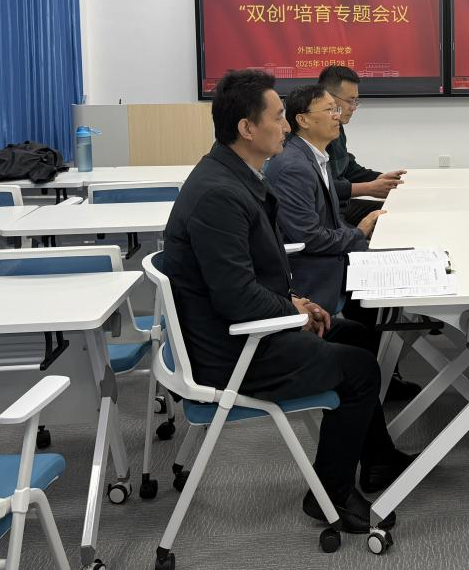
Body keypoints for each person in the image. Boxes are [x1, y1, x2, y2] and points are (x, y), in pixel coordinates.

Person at [159, 69, 411, 534]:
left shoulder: (234, 176)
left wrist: (293, 300)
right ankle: (331, 496)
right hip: (232, 352)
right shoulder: (219, 194)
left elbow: (247, 273)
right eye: (277, 118)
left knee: (356, 335)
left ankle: (376, 457)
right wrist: (291, 311)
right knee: (360, 370)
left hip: (245, 328)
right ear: (247, 128)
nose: (285, 126)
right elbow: (236, 297)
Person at [265, 84, 421, 402]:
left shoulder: (313, 157)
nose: (338, 116)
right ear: (303, 120)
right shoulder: (294, 166)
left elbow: (329, 225)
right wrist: (359, 232)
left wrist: (357, 235)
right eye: (330, 110)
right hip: (312, 271)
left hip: (328, 256)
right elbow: (309, 237)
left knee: (401, 258)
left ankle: (380, 373)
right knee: (389, 276)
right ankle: (377, 376)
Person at [318, 65, 405, 226]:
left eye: (356, 101)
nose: (353, 108)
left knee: (398, 212)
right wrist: (367, 188)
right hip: (326, 213)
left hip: (343, 205)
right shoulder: (310, 137)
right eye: (349, 101)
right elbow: (321, 187)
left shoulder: (337, 127)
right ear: (328, 98)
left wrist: (379, 178)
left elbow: (347, 167)